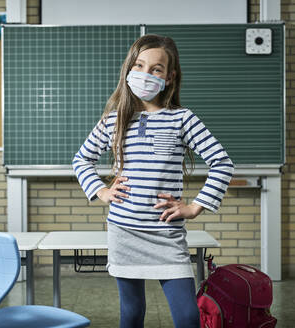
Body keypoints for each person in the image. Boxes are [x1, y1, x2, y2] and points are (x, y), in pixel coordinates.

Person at [72, 34, 234, 328]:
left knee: (187, 317)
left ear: (169, 77)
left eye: (156, 69)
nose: (145, 74)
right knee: (132, 314)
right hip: (124, 231)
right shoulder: (114, 120)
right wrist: (102, 190)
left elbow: (222, 162)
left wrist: (195, 206)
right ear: (128, 70)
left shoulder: (183, 119)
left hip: (166, 235)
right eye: (139, 66)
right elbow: (81, 159)